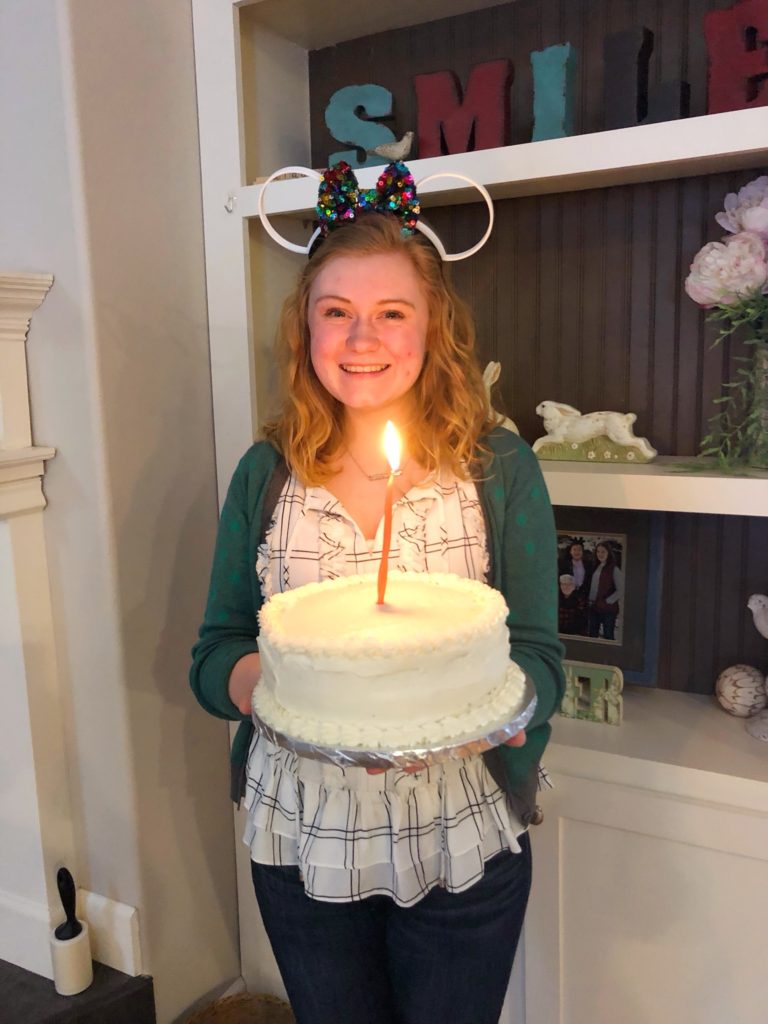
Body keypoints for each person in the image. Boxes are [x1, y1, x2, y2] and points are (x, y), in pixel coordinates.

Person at [190, 163, 565, 1024]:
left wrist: (475, 716)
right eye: (337, 312)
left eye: (392, 312)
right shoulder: (265, 475)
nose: (363, 338)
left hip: (463, 835)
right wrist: (289, 693)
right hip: (302, 844)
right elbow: (212, 655)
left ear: (434, 330)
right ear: (306, 330)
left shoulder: (499, 468)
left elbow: (540, 657)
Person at [587, 541, 623, 641]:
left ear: (608, 553)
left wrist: (608, 601)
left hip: (608, 610)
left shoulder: (614, 569)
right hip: (594, 607)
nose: (600, 554)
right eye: (598, 551)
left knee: (608, 636)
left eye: (603, 552)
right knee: (592, 635)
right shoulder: (595, 566)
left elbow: (621, 590)